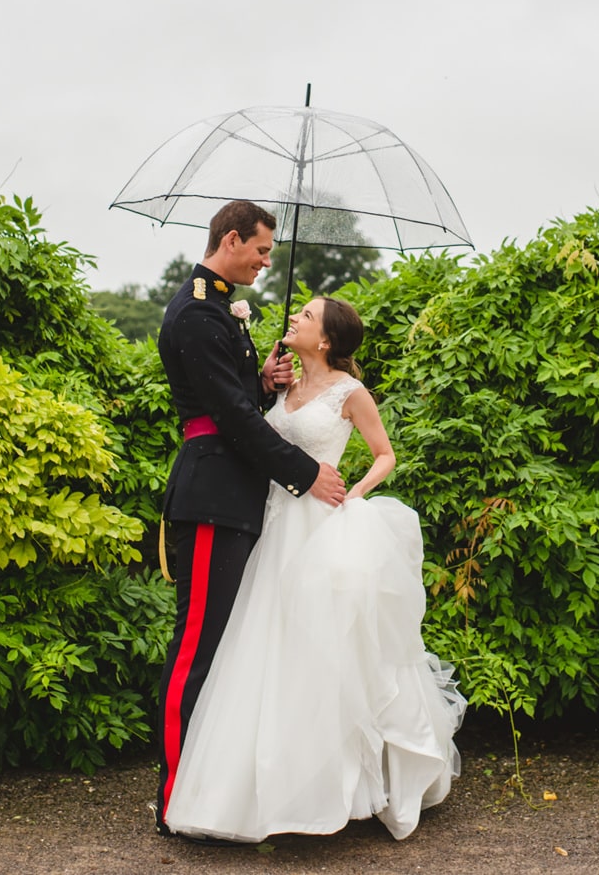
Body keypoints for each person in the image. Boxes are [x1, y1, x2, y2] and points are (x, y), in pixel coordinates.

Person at [164, 294, 466, 843]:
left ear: (325, 340)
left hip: (321, 526)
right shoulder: (283, 387)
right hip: (274, 529)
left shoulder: (351, 393)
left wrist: (355, 491)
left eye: (305, 316)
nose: (295, 319)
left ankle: (349, 789)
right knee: (263, 649)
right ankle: (262, 791)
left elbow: (385, 454)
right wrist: (263, 384)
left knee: (327, 651)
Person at [154, 201, 347, 836]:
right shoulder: (198, 313)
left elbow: (239, 400)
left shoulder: (218, 308)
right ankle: (174, 794)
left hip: (236, 498)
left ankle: (210, 788)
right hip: (212, 496)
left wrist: (263, 380)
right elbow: (231, 422)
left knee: (227, 647)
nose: (268, 263)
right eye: (262, 250)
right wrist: (303, 470)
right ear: (231, 239)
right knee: (197, 649)